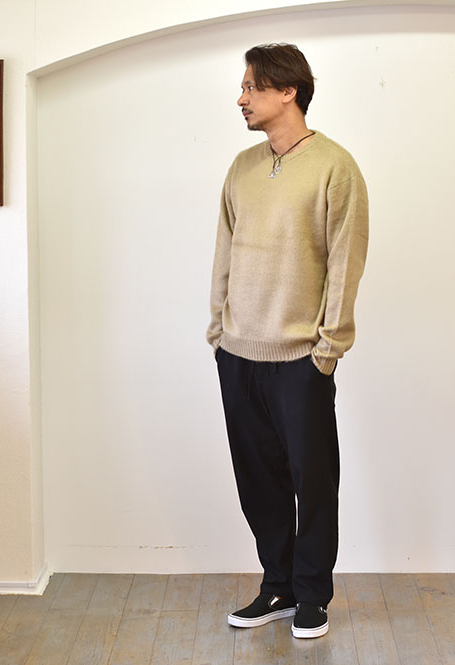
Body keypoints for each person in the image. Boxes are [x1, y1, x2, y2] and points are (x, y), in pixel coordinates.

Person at [206, 43, 368, 639]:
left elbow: (345, 261)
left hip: (301, 357)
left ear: (287, 91)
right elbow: (225, 250)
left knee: (313, 479)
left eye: (251, 86)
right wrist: (219, 330)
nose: (241, 98)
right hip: (238, 353)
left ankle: (312, 595)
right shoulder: (242, 166)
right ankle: (276, 585)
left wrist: (329, 347)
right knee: (258, 479)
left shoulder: (334, 167)